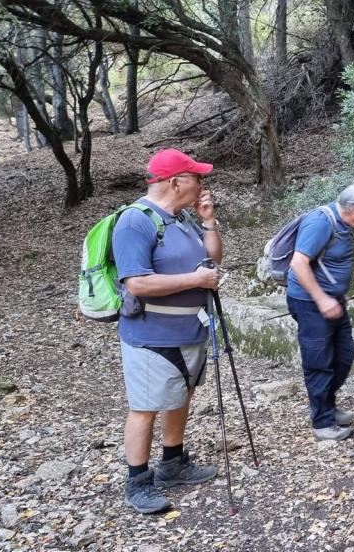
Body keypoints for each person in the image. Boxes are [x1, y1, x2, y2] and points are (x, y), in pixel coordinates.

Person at [113, 149, 224, 514]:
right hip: (152, 334)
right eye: (196, 177)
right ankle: (137, 482)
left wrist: (208, 221)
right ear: (175, 182)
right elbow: (137, 283)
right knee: (145, 407)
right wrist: (195, 280)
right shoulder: (135, 222)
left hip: (190, 329)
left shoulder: (182, 219)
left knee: (180, 396)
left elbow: (213, 259)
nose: (202, 184)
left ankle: (173, 463)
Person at [286, 183, 354, 442]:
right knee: (319, 362)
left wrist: (337, 293)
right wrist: (321, 298)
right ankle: (322, 422)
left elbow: (328, 263)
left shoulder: (344, 225)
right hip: (310, 303)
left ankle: (326, 405)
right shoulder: (320, 222)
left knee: (344, 355)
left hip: (333, 300)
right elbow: (298, 263)